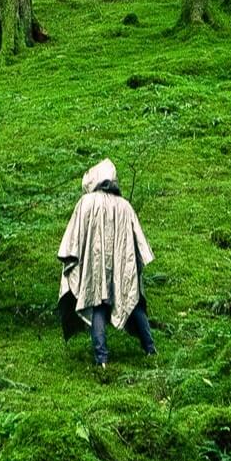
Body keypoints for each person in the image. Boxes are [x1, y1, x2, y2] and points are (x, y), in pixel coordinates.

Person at [56, 158, 157, 368]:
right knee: (133, 301)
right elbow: (139, 242)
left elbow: (73, 238)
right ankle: (150, 349)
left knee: (97, 304)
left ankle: (102, 359)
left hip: (95, 266)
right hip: (123, 265)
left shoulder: (85, 203)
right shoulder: (125, 206)